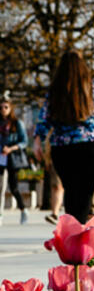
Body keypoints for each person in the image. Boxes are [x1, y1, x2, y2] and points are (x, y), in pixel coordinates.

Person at [33, 50, 94, 225]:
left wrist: (38, 140)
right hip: (92, 147)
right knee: (87, 192)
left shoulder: (55, 93)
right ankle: (81, 233)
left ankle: (74, 232)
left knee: (71, 190)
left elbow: (44, 120)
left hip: (63, 147)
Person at [0, 94, 29, 225]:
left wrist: (11, 148)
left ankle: (23, 210)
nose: (3, 109)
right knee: (1, 186)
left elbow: (24, 141)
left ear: (10, 108)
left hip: (12, 157)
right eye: (1, 107)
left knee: (13, 187)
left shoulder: (17, 124)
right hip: (0, 157)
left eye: (6, 107)